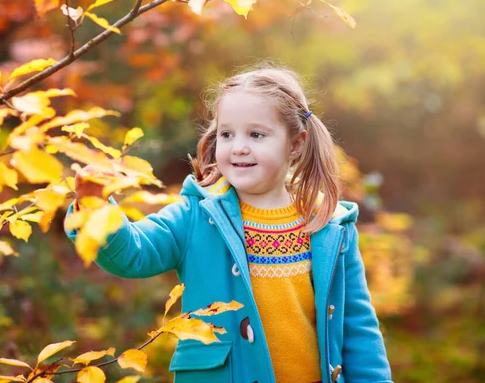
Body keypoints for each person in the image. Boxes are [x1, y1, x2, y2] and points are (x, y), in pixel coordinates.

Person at [65, 65, 392, 383]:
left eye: (256, 134)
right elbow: (133, 254)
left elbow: (358, 329)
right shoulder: (196, 216)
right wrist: (94, 207)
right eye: (226, 134)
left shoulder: (329, 226)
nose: (238, 147)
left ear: (295, 143)